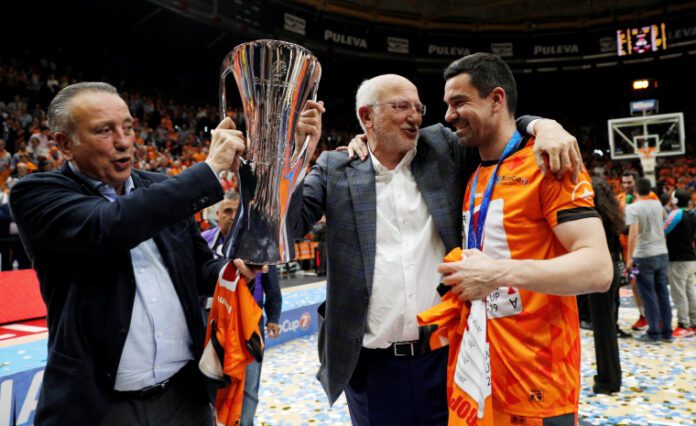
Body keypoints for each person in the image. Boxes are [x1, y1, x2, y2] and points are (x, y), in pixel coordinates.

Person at [288, 72, 581, 425]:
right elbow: (288, 228)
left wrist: (543, 126)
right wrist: (298, 153)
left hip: (449, 358)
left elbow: (494, 124)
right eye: (401, 107)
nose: (414, 116)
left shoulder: (441, 146)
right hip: (371, 368)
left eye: (418, 107)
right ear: (367, 117)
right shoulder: (336, 167)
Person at [8, 82, 252, 426]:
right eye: (104, 131)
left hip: (185, 397)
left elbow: (200, 269)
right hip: (99, 406)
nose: (123, 141)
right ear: (65, 145)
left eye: (127, 128)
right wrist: (209, 169)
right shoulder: (36, 194)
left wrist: (233, 270)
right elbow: (112, 225)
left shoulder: (160, 187)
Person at [429, 53, 612, 424]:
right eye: (447, 104)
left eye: (459, 102)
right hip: (478, 374)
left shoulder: (549, 163)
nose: (449, 115)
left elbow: (598, 269)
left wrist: (498, 273)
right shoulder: (473, 171)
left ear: (496, 99)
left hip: (538, 380)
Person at [588, 177, 625, 395]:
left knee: (602, 328)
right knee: (608, 324)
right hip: (613, 265)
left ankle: (608, 379)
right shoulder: (613, 214)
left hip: (599, 268)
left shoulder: (594, 216)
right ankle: (610, 376)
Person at [624, 177, 672, 343]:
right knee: (663, 293)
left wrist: (629, 258)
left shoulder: (633, 208)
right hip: (662, 252)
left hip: (643, 255)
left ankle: (653, 333)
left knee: (648, 294)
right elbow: (665, 217)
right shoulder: (657, 204)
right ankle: (667, 332)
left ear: (635, 190)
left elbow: (633, 234)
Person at [240, 266, 282, 426]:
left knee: (250, 385)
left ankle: (246, 423)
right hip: (217, 315)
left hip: (252, 317)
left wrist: (273, 316)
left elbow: (271, 282)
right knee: (216, 383)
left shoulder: (262, 249)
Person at [618, 170, 658, 331]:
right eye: (624, 183)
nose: (626, 185)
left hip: (646, 248)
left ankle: (656, 317)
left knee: (650, 283)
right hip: (627, 250)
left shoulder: (650, 197)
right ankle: (643, 316)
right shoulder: (620, 199)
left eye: (629, 182)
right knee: (634, 283)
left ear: (636, 182)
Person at [663, 188, 696, 337]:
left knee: (679, 293)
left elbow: (663, 229)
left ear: (675, 200)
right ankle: (694, 323)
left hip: (678, 259)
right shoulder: (692, 214)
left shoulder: (675, 214)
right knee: (690, 291)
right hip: (691, 258)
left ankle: (683, 324)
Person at [202, 192, 241, 258]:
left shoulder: (255, 240)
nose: (233, 217)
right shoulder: (204, 239)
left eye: (238, 212)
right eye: (228, 211)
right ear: (218, 215)